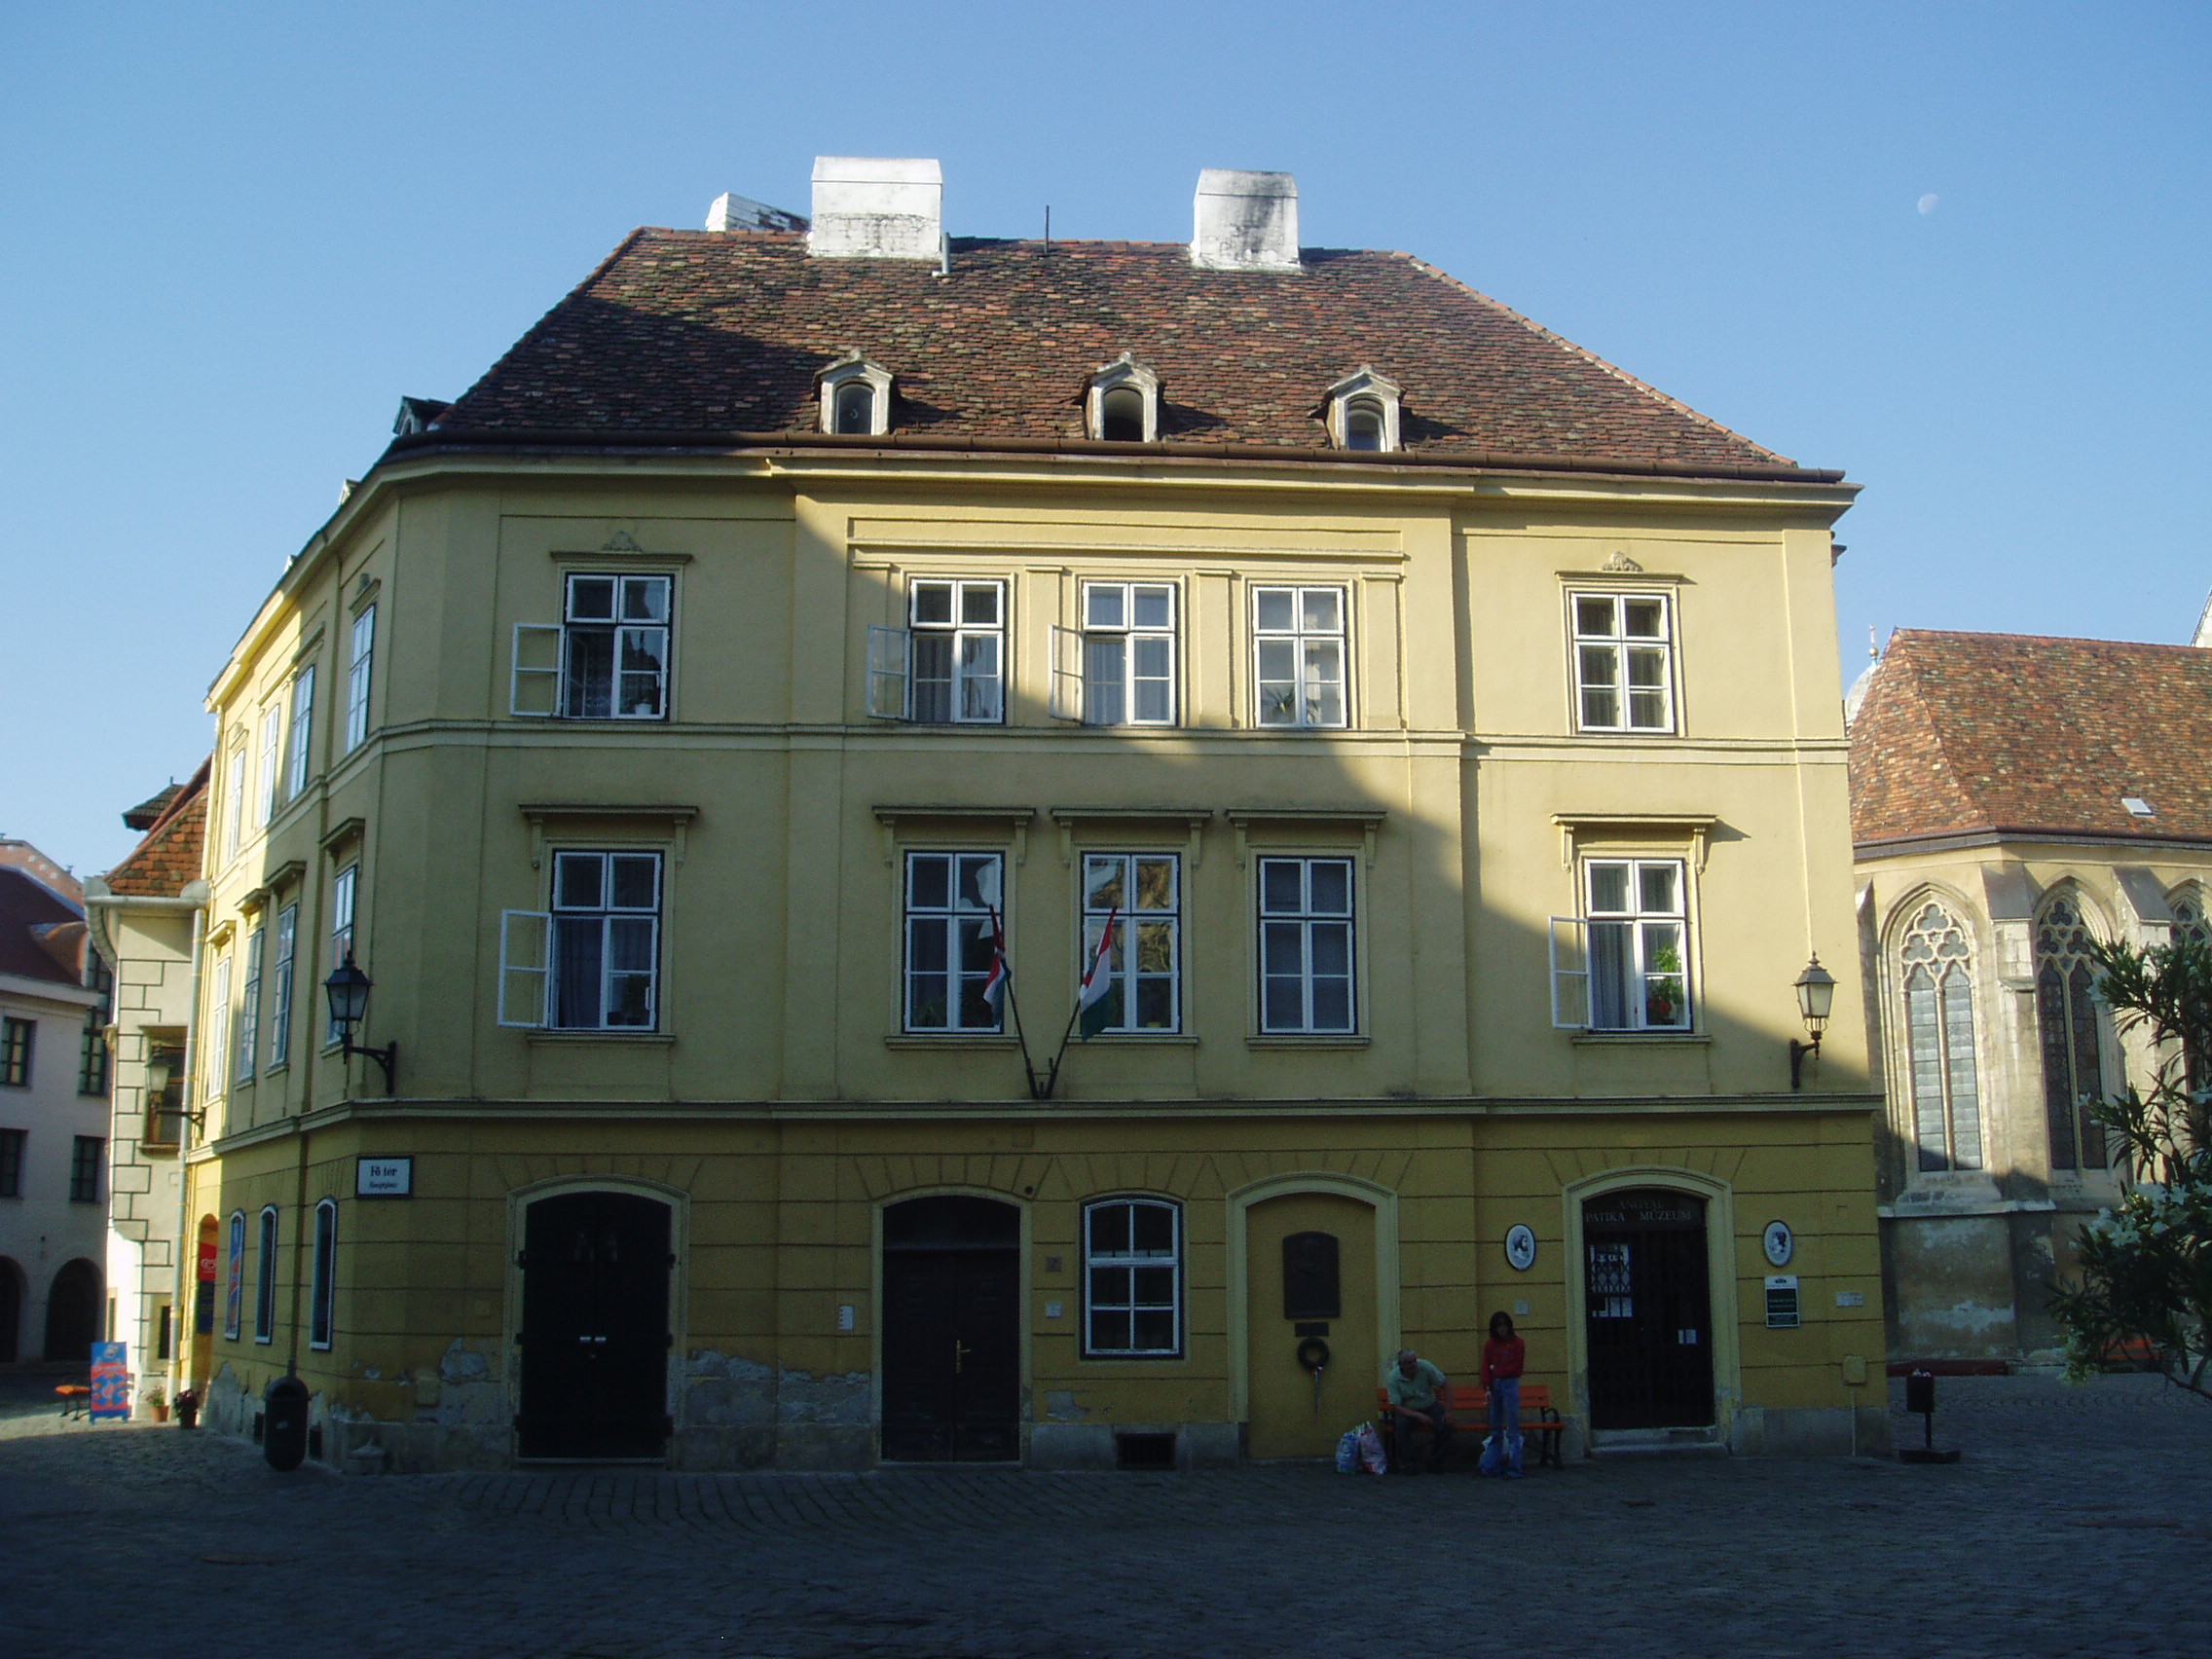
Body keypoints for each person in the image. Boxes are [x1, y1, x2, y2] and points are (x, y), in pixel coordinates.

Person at [1384, 1348, 1454, 1472]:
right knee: (1401, 1426)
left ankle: (1436, 1461)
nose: (1413, 1365)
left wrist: (1448, 1412)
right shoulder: (1394, 1378)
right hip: (1408, 1410)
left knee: (1446, 1425)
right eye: (1409, 1363)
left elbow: (1445, 1384)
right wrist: (1418, 1415)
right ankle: (1409, 1463)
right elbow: (1396, 1406)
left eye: (1414, 1361)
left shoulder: (1426, 1367)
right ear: (1401, 1365)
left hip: (1431, 1406)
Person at [1482, 1311, 1528, 1478]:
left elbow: (1516, 1367)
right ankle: (1491, 1466)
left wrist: (1497, 1370)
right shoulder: (1491, 1344)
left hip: (1509, 1383)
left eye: (1504, 1325)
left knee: (1513, 1428)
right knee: (1495, 1428)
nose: (1502, 1329)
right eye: (1498, 1326)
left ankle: (1515, 1467)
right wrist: (1487, 1386)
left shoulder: (1518, 1343)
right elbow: (1486, 1366)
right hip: (1496, 1385)